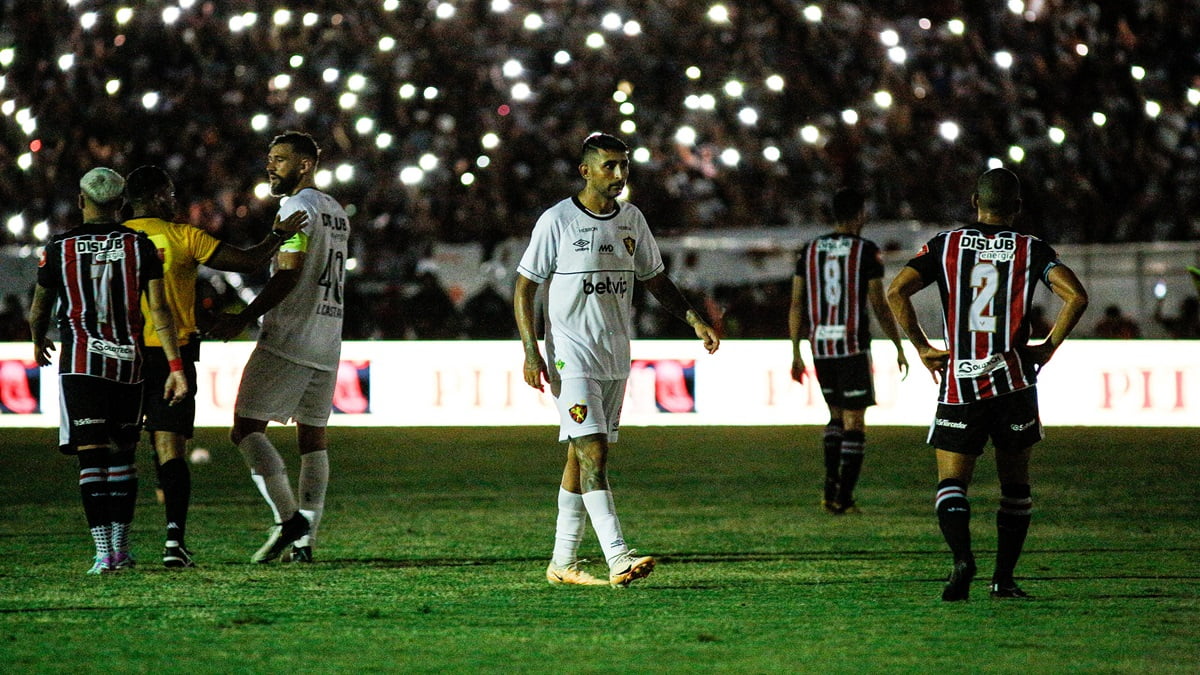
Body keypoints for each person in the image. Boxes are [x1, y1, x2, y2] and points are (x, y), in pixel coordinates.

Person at [514, 132, 720, 587]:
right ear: (585, 171)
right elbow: (525, 286)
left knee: (579, 455)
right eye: (609, 165)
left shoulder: (632, 220)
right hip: (571, 356)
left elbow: (656, 279)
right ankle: (618, 558)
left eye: (624, 165)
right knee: (594, 452)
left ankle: (562, 563)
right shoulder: (558, 220)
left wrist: (693, 319)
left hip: (614, 356)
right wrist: (531, 350)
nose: (619, 174)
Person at [886, 168, 1089, 601]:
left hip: (962, 382)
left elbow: (896, 292)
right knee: (1015, 485)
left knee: (952, 483)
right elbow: (1076, 295)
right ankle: (1004, 580)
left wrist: (922, 346)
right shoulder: (1030, 249)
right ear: (1016, 208)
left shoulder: (946, 245)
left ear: (974, 203)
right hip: (1014, 381)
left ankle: (962, 558)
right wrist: (1048, 346)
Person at [122, 165, 308, 568]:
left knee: (115, 450)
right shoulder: (181, 236)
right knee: (169, 447)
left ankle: (113, 547)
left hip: (119, 354)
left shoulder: (111, 241)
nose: (175, 202)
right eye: (170, 194)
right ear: (157, 197)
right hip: (171, 354)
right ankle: (174, 542)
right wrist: (280, 233)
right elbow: (249, 261)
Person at [28, 167, 189, 574]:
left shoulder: (59, 247)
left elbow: (40, 307)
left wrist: (37, 338)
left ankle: (103, 553)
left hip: (81, 363)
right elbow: (160, 310)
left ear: (81, 201)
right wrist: (175, 366)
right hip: (128, 364)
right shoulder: (140, 245)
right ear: (120, 205)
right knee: (123, 457)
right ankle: (121, 547)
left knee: (91, 458)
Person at [208, 131, 349, 564]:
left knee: (246, 428)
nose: (271, 167)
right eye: (270, 159)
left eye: (281, 160)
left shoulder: (297, 208)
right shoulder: (337, 212)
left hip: (289, 336)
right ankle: (306, 544)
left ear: (305, 165)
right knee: (313, 438)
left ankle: (290, 520)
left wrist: (244, 317)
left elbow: (288, 273)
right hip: (328, 338)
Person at [789, 188, 909, 514]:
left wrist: (796, 352)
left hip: (820, 346)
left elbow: (797, 303)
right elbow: (878, 303)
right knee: (855, 421)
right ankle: (844, 497)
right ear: (860, 215)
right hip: (852, 345)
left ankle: (830, 489)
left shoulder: (810, 250)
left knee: (835, 417)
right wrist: (899, 344)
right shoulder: (866, 251)